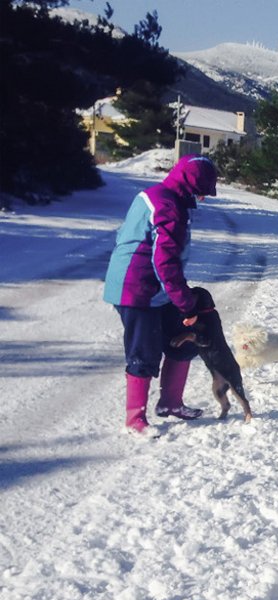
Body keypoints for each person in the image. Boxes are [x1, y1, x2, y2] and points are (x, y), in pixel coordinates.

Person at [103, 154, 219, 435]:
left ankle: (170, 403)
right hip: (137, 290)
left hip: (156, 289)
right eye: (201, 192)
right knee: (144, 352)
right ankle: (135, 420)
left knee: (184, 340)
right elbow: (164, 261)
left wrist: (180, 300)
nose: (202, 198)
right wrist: (186, 303)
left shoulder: (164, 196)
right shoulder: (166, 205)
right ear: (190, 185)